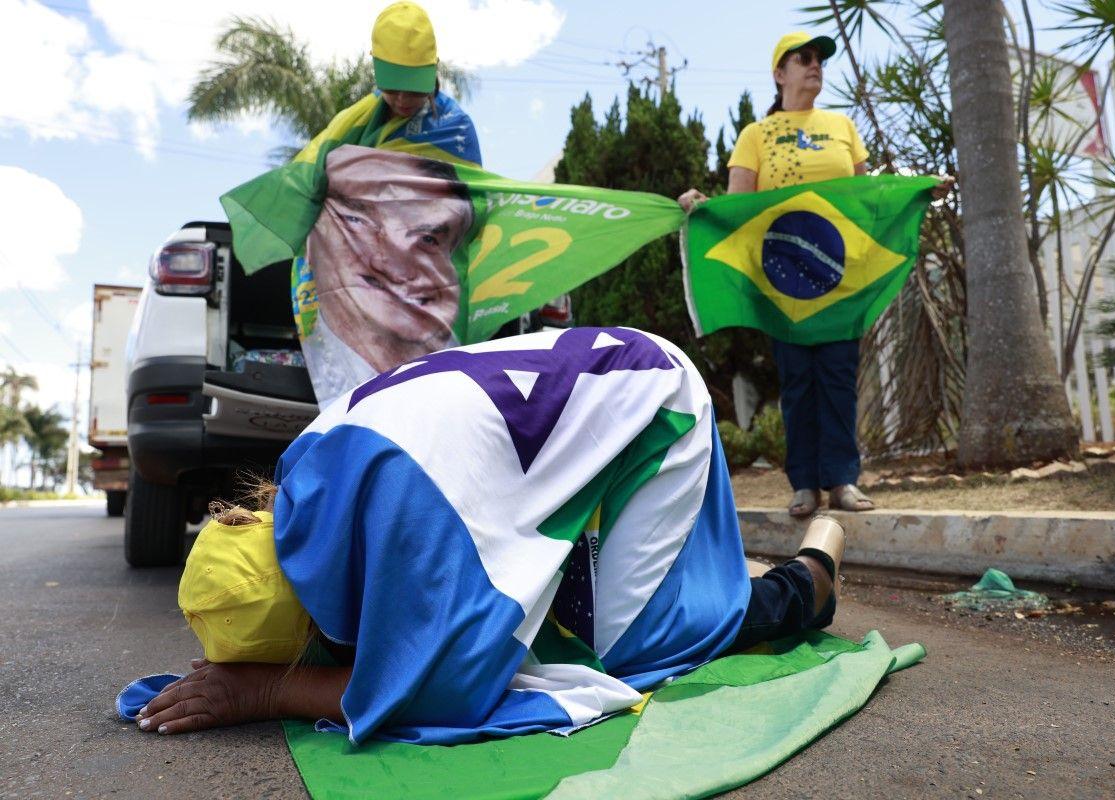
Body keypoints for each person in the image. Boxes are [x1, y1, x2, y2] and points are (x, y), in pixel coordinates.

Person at [126, 327, 845, 743]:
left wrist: (265, 693)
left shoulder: (421, 532)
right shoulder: (304, 467)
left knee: (637, 647)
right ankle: (703, 564)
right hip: (603, 372)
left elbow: (434, 696)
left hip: (657, 406)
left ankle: (811, 573)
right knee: (546, 602)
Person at [677, 31, 953, 518]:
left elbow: (871, 200)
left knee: (839, 377)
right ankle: (804, 484)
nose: (814, 65)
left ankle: (843, 481)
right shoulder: (755, 136)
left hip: (838, 279)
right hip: (782, 282)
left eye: (820, 59)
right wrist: (702, 209)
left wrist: (918, 190)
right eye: (802, 58)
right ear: (779, 74)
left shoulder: (843, 126)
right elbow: (736, 210)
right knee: (798, 382)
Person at [300, 147, 475, 402]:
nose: (391, 265)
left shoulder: (461, 376)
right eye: (356, 221)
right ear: (311, 238)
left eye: (427, 238)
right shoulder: (310, 361)